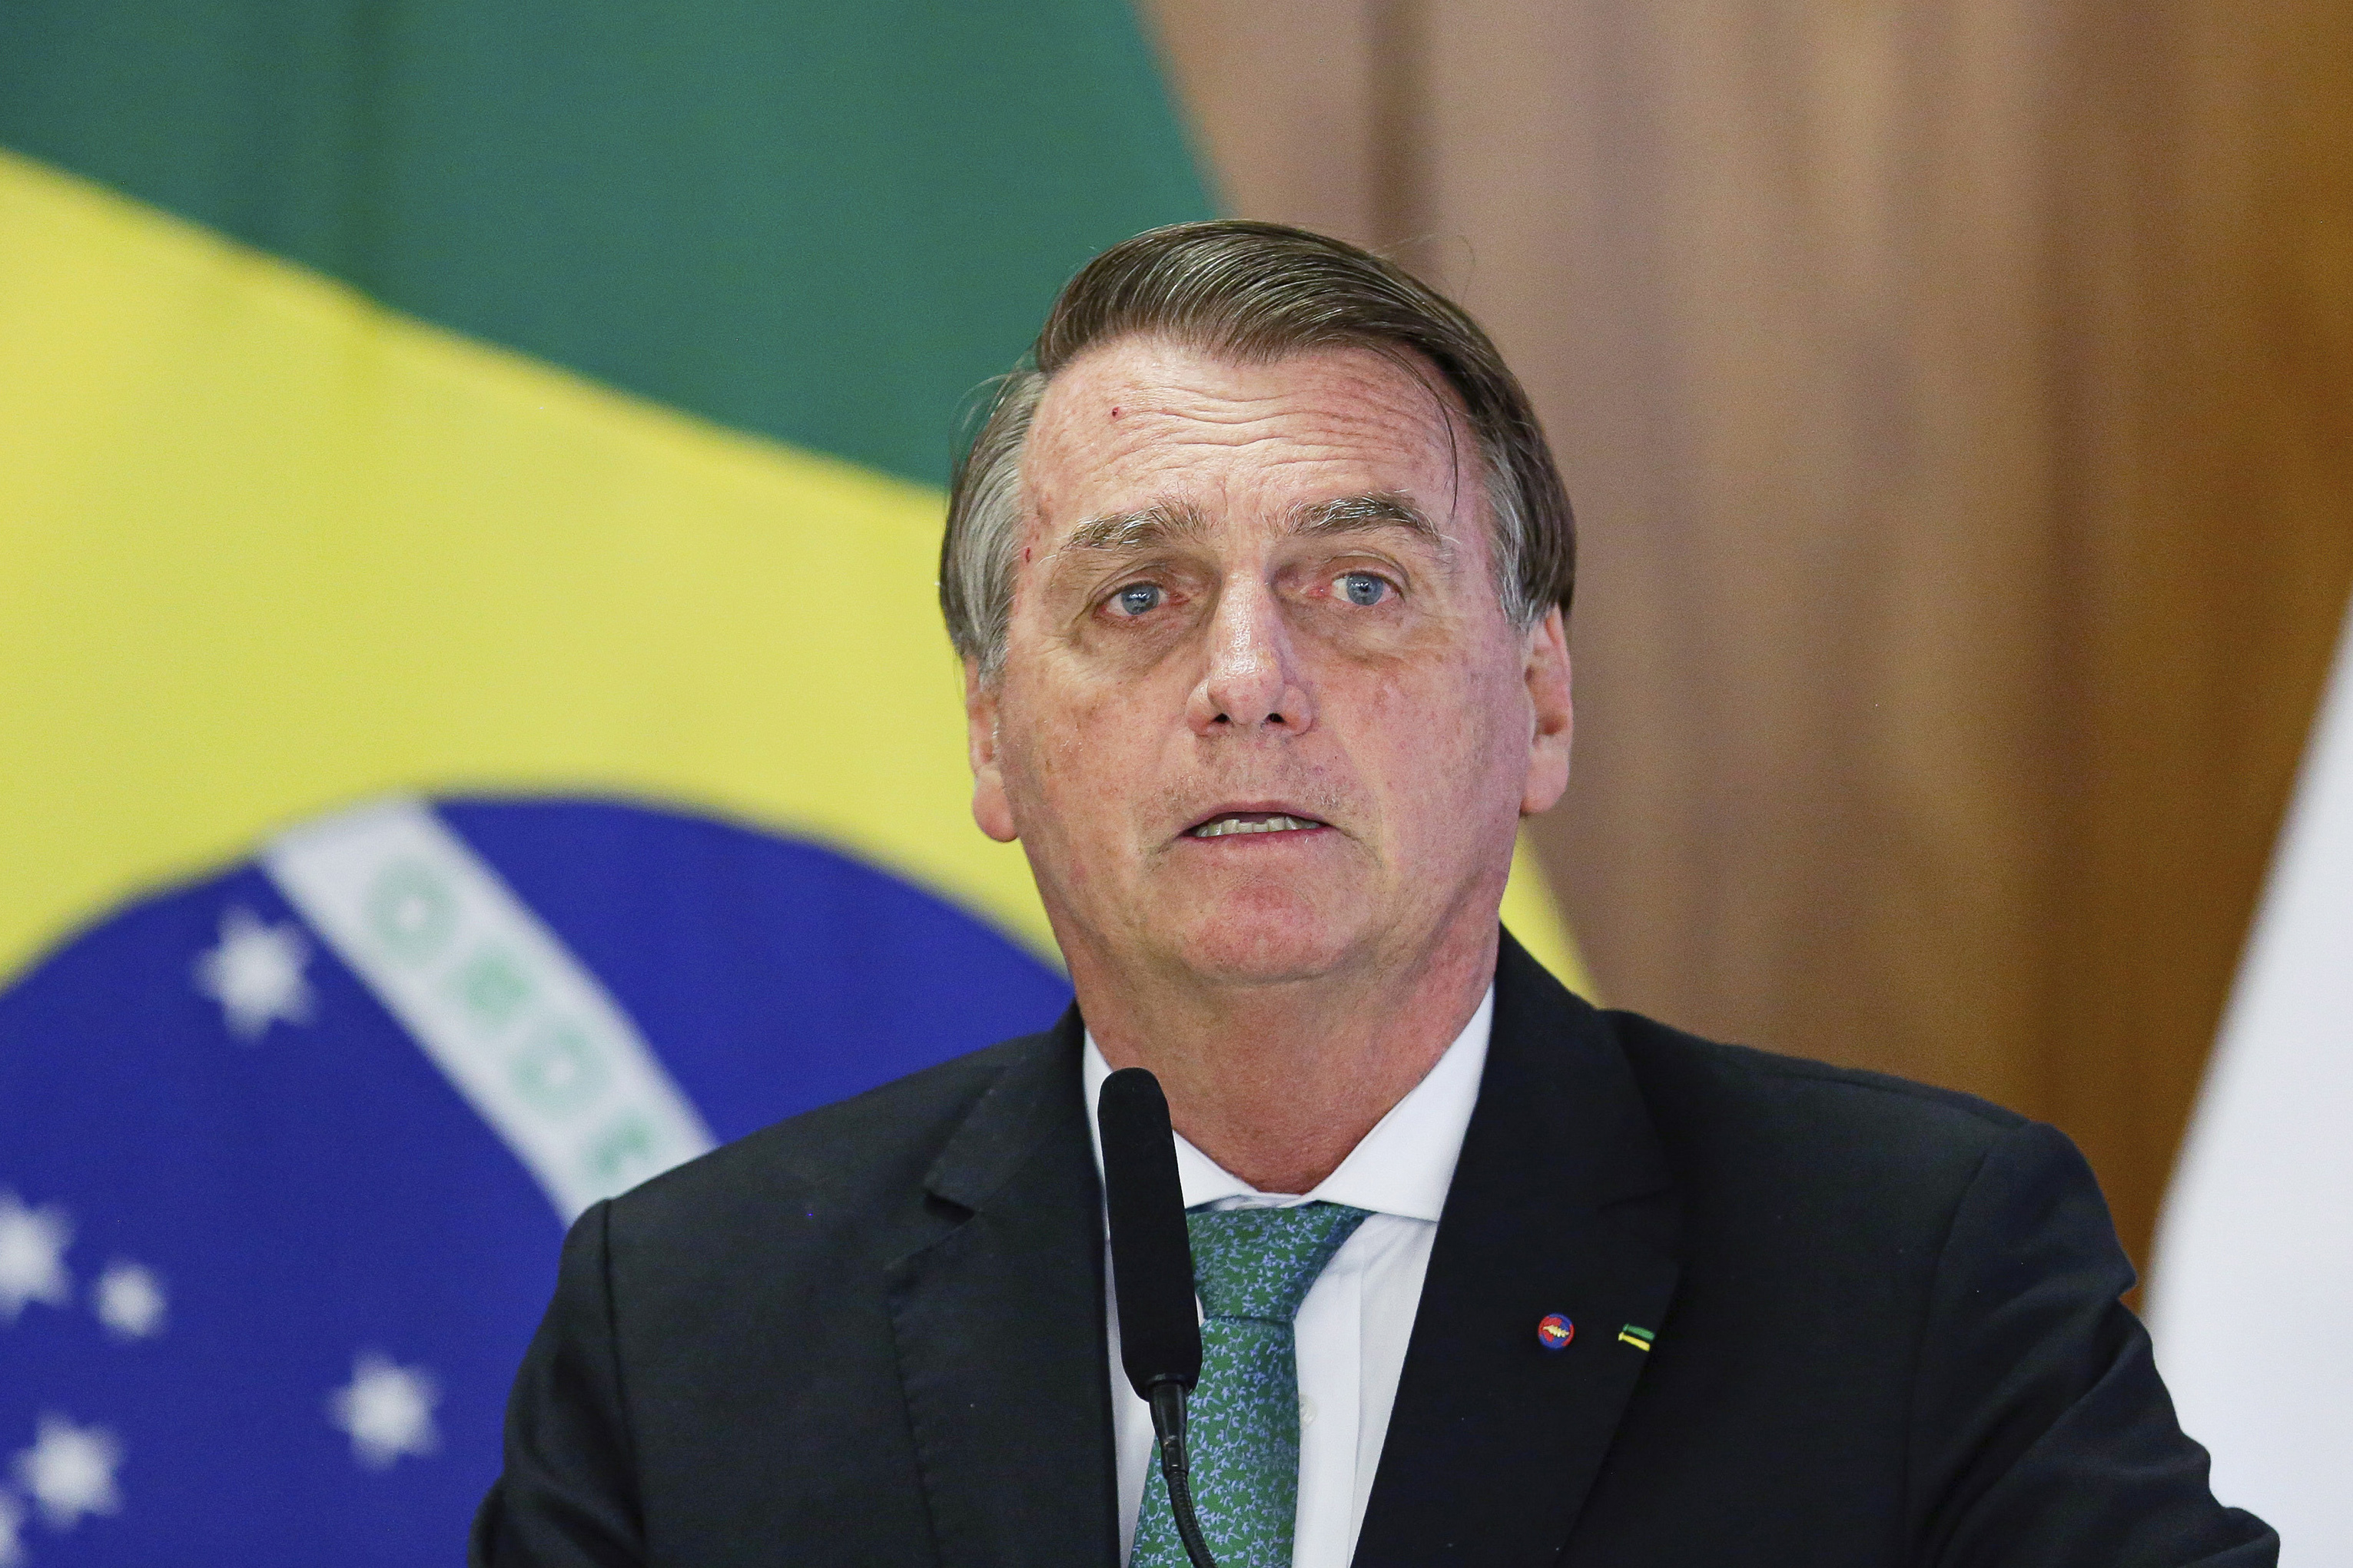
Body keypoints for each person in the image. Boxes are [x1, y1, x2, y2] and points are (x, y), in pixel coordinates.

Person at [470, 221, 2275, 1567]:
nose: (1247, 678)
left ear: (1540, 699)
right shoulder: (691, 1324)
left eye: (1355, 587)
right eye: (1138, 596)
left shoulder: (1909, 1272)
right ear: (995, 739)